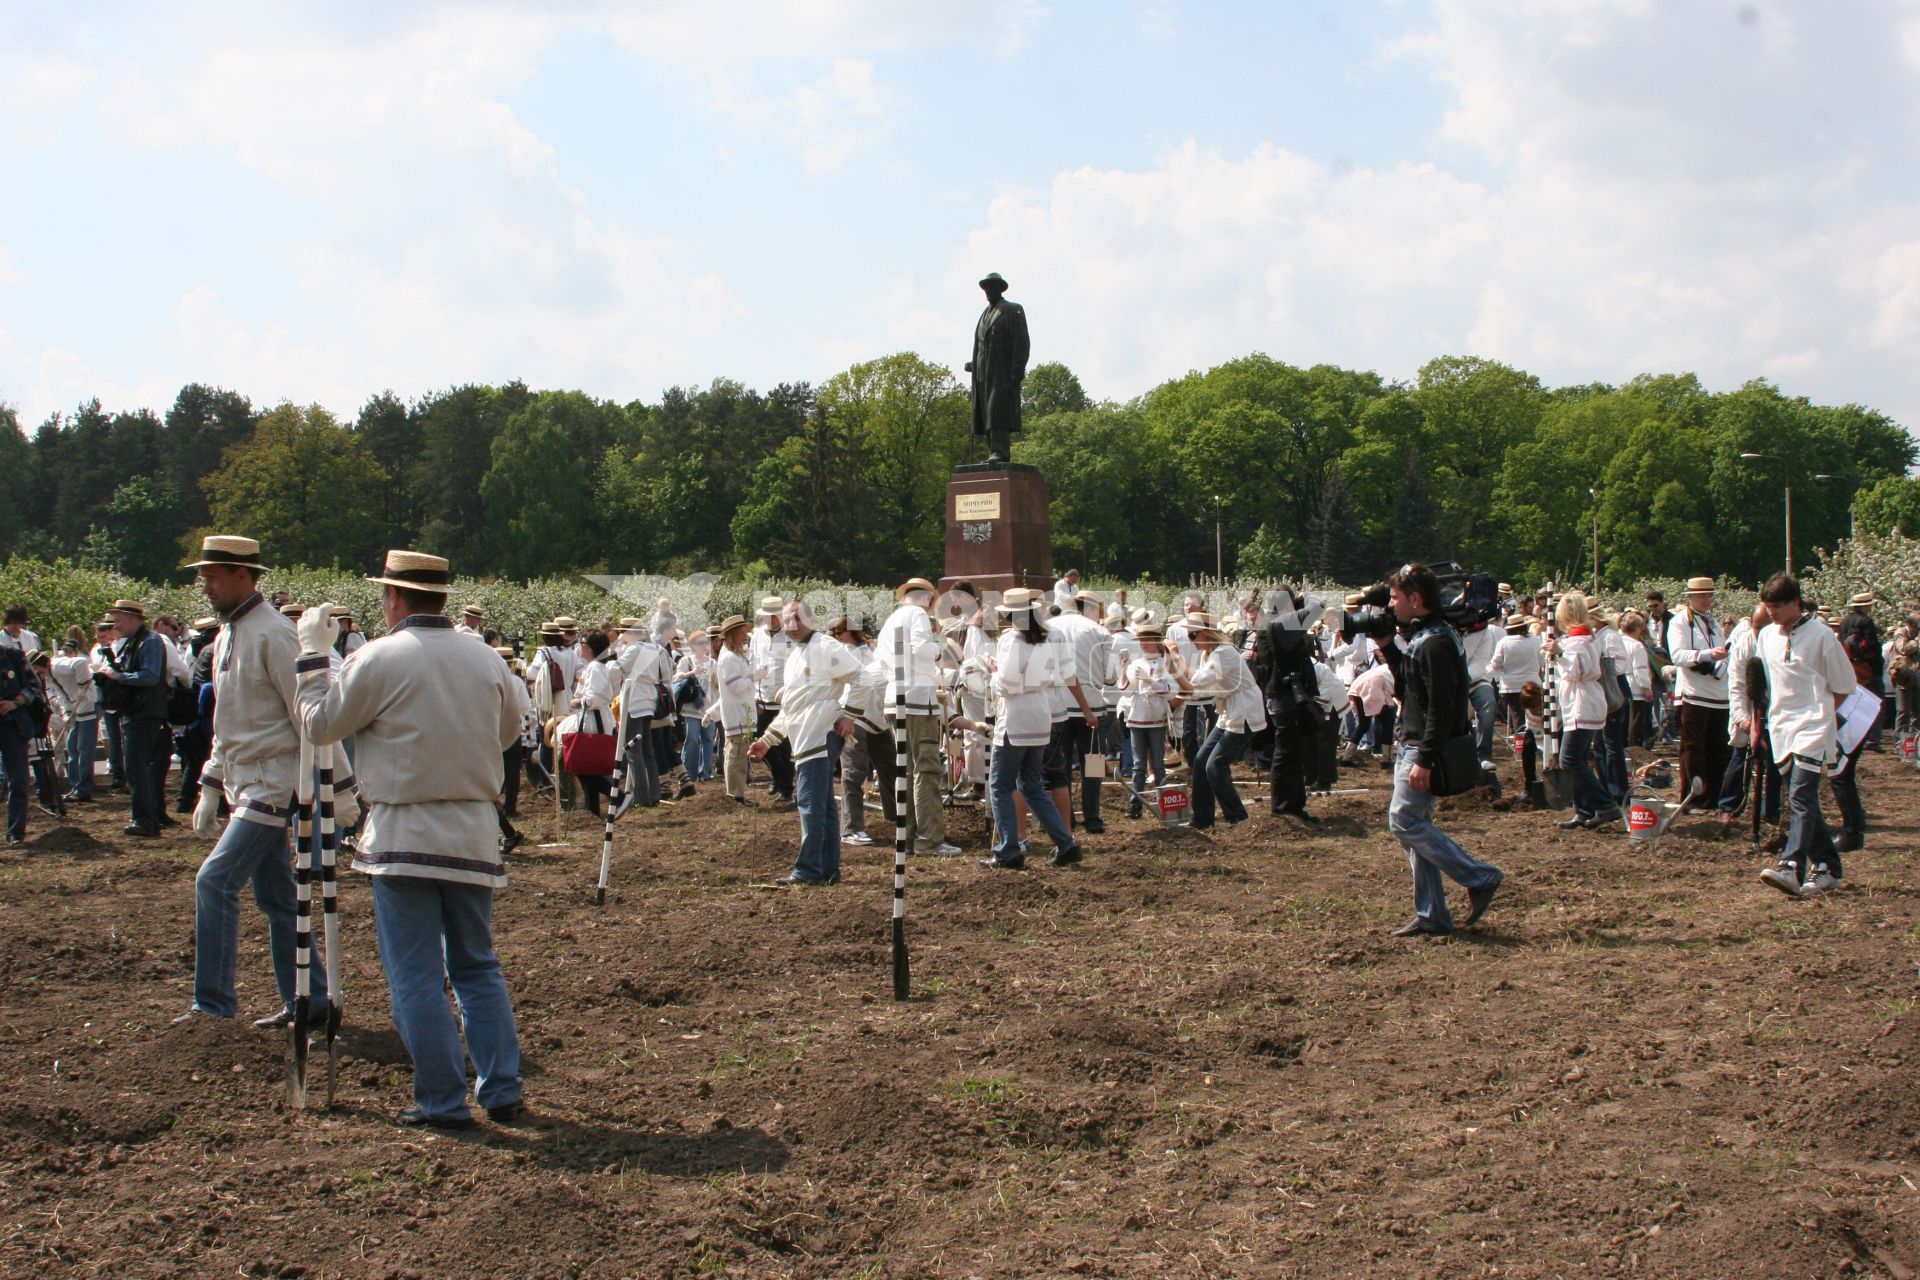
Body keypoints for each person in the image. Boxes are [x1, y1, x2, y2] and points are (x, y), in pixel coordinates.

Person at [294, 550, 525, 1128]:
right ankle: (501, 1088)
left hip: (404, 830)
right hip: (472, 830)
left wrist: (310, 658)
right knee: (477, 965)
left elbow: (320, 725)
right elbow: (507, 734)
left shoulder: (377, 658)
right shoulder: (487, 659)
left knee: (416, 975)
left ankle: (444, 1100)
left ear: (394, 597)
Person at [178, 535, 340, 1027]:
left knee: (215, 880)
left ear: (243, 575)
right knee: (276, 897)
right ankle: (307, 1000)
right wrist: (210, 781)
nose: (205, 586)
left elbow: (308, 718)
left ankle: (213, 1005)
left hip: (272, 782)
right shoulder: (227, 635)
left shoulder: (272, 633)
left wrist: (338, 786)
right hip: (242, 781)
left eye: (212, 576)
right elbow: (227, 721)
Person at [1384, 562, 1503, 937]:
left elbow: (1439, 707)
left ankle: (1479, 876)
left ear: (1416, 599)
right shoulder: (1432, 635)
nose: (1390, 604)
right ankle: (1432, 914)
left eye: (1395, 597)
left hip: (1421, 746)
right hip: (1416, 743)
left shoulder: (1434, 641)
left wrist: (1425, 758)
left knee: (1403, 821)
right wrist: (1387, 647)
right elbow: (1409, 689)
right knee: (1418, 827)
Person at [1754, 573, 1857, 898]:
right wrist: (1757, 721)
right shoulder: (1767, 636)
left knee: (1800, 795)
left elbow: (1844, 685)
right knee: (1803, 800)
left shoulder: (1822, 636)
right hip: (1781, 726)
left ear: (1796, 603)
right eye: (1768, 607)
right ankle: (1827, 865)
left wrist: (1823, 715)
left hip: (1813, 727)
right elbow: (1764, 685)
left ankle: (1791, 866)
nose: (1772, 613)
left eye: (1778, 607)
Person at [747, 601, 864, 886]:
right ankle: (826, 870)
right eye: (787, 621)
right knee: (820, 805)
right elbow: (792, 707)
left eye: (796, 619)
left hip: (821, 732)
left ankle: (809, 869)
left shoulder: (826, 646)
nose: (791, 626)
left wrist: (850, 714)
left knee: (811, 803)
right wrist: (768, 740)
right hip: (806, 735)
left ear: (810, 619)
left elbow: (863, 676)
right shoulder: (796, 655)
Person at [981, 589, 1085, 869]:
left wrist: (992, 674)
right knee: (1031, 785)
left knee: (1001, 785)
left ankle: (1008, 849)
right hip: (1041, 715)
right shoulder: (1044, 638)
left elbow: (1006, 684)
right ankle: (1065, 842)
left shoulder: (1011, 639)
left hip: (1016, 717)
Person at [871, 579, 961, 854]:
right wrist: (938, 647)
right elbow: (922, 649)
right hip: (917, 699)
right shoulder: (919, 615)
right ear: (927, 599)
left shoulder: (891, 620)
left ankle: (909, 836)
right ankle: (929, 839)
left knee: (906, 769)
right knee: (926, 768)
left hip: (895, 698)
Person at [1173, 611, 1264, 829]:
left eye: (1193, 635)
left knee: (1215, 765)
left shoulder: (1224, 653)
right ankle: (1202, 819)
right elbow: (1196, 684)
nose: (1190, 640)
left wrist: (1175, 663)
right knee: (1200, 761)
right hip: (1230, 711)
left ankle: (1239, 818)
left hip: (1243, 711)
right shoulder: (1212, 654)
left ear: (1207, 633)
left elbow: (1194, 685)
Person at [1543, 592, 1618, 830]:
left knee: (1569, 761)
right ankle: (1583, 809)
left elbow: (1578, 670)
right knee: (1577, 759)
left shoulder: (1580, 639)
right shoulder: (1585, 637)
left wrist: (1560, 653)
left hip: (1582, 702)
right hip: (1580, 701)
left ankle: (1605, 805)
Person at [1250, 587, 1325, 823]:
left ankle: (1292, 805)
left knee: (1291, 752)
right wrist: (1308, 594)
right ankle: (1284, 806)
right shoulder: (1282, 624)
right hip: (1285, 697)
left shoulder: (1270, 622)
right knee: (1287, 753)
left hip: (1281, 695)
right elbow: (1318, 607)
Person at [98, 599, 172, 837]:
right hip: (138, 712)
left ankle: (145, 820)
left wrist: (118, 676)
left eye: (118, 619)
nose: (115, 624)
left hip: (145, 712)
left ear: (132, 618)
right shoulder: (135, 642)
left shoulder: (149, 642)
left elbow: (149, 676)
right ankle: (147, 817)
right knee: (137, 767)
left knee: (136, 767)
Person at [1667, 576, 1730, 808]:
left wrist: (1720, 660)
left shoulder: (1712, 622)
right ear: (1691, 597)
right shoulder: (1680, 622)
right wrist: (1705, 656)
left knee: (1717, 748)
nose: (1707, 599)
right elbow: (1677, 656)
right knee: (1693, 749)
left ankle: (1713, 797)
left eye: (1710, 595)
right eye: (1703, 595)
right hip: (1694, 693)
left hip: (1718, 694)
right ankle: (1693, 799)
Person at [966, 270, 1030, 463]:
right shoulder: (984, 315)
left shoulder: (1012, 310)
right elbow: (981, 345)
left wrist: (1015, 373)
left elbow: (1022, 343)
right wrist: (974, 363)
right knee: (985, 414)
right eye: (986, 288)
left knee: (997, 413)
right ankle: (992, 451)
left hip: (1001, 375)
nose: (988, 291)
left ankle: (1000, 452)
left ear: (1000, 289)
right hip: (982, 375)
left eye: (992, 287)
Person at [1120, 622, 1176, 818]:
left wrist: (1151, 681)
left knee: (1159, 764)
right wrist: (1124, 669)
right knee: (1138, 765)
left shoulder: (1165, 664)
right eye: (1141, 640)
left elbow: (1170, 692)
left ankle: (1164, 804)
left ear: (1156, 642)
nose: (1143, 644)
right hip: (1137, 717)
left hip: (1156, 719)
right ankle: (1135, 805)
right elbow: (1126, 692)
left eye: (1147, 640)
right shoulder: (1136, 664)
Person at [749, 597, 795, 802]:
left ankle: (784, 783)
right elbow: (753, 662)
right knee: (760, 737)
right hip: (762, 696)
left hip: (782, 696)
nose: (770, 619)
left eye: (773, 615)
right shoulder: (758, 635)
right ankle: (781, 777)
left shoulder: (791, 635)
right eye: (767, 616)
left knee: (781, 743)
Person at [568, 630, 618, 817]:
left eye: (582, 643)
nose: (580, 646)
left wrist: (579, 701)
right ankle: (593, 810)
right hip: (591, 719)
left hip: (594, 721)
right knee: (587, 768)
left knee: (585, 768)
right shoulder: (593, 666)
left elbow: (594, 698)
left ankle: (618, 797)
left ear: (589, 647)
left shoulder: (596, 667)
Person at [49, 629, 99, 804]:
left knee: (84, 748)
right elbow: (59, 694)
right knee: (72, 747)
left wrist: (79, 691)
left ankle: (84, 788)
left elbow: (80, 663)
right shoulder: (48, 675)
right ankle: (74, 784)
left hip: (87, 706)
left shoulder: (58, 665)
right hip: (74, 710)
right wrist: (67, 712)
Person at [0, 640, 42, 845]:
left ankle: (15, 832)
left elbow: (34, 685)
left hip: (13, 725)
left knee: (18, 779)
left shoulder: (13, 656)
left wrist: (15, 702)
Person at [1490, 614, 1541, 737]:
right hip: (1532, 682)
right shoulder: (1535, 640)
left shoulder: (1503, 642)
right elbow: (1542, 661)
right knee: (1533, 713)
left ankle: (1520, 743)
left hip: (1511, 684)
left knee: (1517, 714)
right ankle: (1535, 740)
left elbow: (1495, 665)